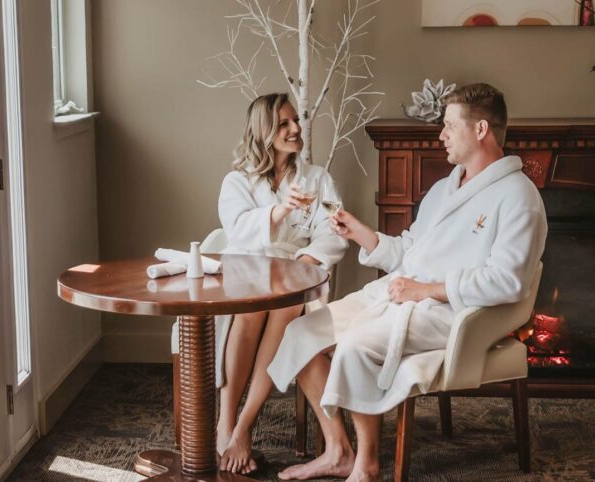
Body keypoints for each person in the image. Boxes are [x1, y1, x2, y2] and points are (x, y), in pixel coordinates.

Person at [267, 83, 548, 481]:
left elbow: (508, 282)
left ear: (481, 129)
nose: (441, 135)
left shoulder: (518, 196)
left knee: (355, 345)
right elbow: (410, 251)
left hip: (453, 310)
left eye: (450, 126)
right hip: (400, 292)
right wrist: (359, 233)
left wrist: (426, 291)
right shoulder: (445, 188)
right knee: (301, 332)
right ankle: (338, 450)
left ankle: (364, 465)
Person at [216, 93, 348, 474]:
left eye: (295, 121)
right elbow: (237, 230)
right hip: (250, 271)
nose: (295, 129)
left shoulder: (317, 178)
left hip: (296, 276)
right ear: (264, 131)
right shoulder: (237, 181)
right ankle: (227, 421)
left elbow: (334, 233)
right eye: (284, 124)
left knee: (287, 305)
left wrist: (306, 263)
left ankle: (244, 424)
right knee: (251, 311)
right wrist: (280, 209)